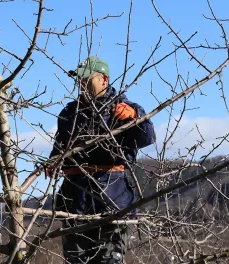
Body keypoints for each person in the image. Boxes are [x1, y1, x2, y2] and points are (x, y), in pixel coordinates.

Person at [47, 56, 156, 264]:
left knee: (108, 260)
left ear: (104, 79)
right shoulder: (69, 113)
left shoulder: (123, 108)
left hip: (112, 197)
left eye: (87, 79)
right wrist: (53, 161)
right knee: (75, 260)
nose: (81, 84)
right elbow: (60, 145)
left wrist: (135, 117)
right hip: (74, 199)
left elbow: (147, 137)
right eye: (79, 80)